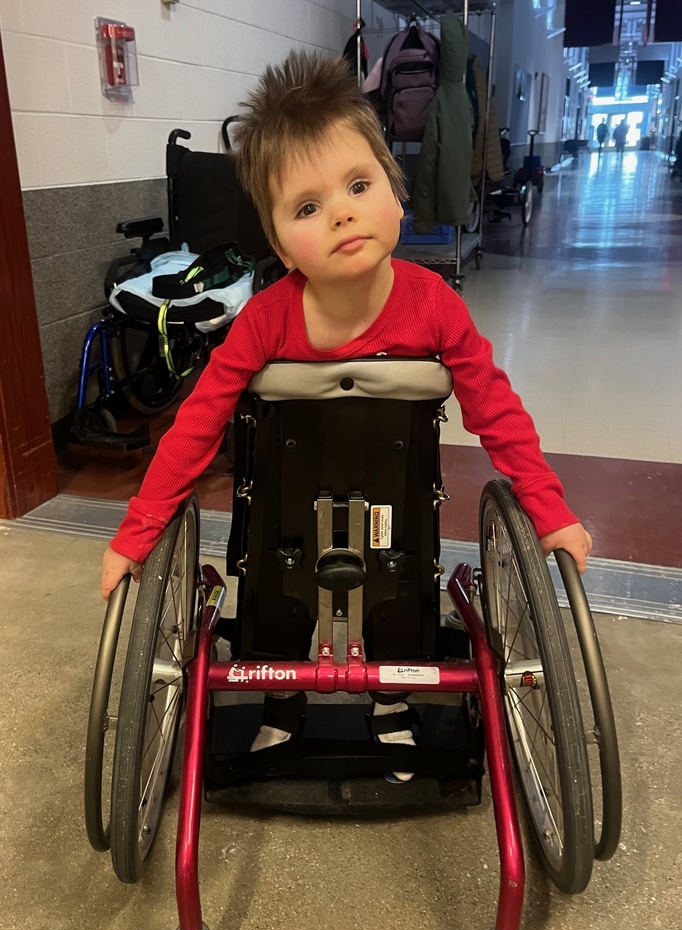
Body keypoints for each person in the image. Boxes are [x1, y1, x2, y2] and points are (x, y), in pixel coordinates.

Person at [100, 51, 593, 780]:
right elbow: (199, 422)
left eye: (359, 185)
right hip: (283, 523)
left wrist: (549, 512)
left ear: (396, 190)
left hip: (399, 523)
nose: (341, 213)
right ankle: (284, 690)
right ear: (276, 240)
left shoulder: (435, 306)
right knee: (276, 571)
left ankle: (397, 690)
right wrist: (138, 533)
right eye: (307, 207)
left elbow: (497, 412)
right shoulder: (265, 321)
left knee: (401, 579)